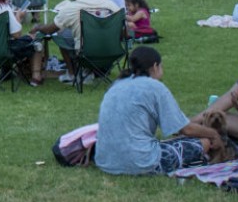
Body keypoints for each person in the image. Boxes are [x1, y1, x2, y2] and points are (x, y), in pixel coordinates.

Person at [94, 46, 226, 175]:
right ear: (156, 66)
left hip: (105, 161)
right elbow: (185, 129)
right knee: (204, 143)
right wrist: (213, 134)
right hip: (141, 162)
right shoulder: (155, 87)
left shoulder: (117, 84)